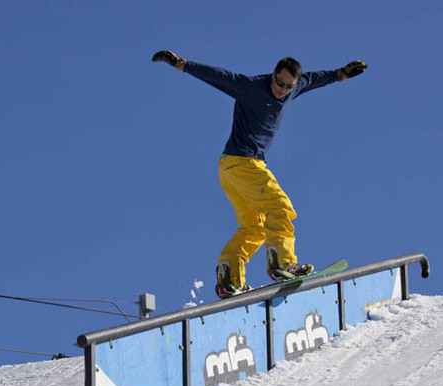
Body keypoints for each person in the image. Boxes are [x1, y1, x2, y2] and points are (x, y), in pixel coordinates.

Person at [152, 50, 368, 298]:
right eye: (279, 83)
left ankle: (229, 276)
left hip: (229, 169)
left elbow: (316, 78)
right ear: (273, 74)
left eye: (288, 87)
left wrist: (341, 74)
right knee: (280, 206)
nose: (282, 90)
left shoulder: (294, 88)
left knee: (254, 227)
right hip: (244, 163)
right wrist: (182, 64)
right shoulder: (251, 87)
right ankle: (283, 263)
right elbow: (220, 77)